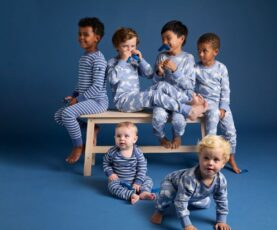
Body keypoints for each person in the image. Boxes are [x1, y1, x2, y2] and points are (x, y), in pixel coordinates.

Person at [106, 27, 207, 120]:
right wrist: (123, 60)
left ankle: (189, 101)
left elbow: (149, 73)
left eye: (132, 46)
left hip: (136, 97)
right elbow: (112, 79)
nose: (129, 50)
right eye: (125, 46)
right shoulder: (113, 62)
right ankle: (187, 110)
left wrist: (141, 60)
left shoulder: (133, 60)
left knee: (162, 85)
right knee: (154, 95)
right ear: (117, 46)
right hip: (123, 102)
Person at [54, 17, 108, 164]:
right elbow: (82, 83)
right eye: (80, 34)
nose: (81, 37)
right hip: (86, 99)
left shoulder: (98, 59)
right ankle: (93, 128)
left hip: (98, 101)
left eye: (86, 34)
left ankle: (78, 146)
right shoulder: (84, 57)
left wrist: (78, 100)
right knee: (59, 116)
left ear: (97, 38)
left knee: (67, 113)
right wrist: (73, 95)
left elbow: (97, 87)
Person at [151, 135, 231, 230]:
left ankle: (181, 198)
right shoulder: (189, 179)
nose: (210, 163)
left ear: (223, 164)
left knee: (205, 203)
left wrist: (221, 220)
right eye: (206, 158)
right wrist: (187, 225)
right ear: (199, 158)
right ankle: (159, 211)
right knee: (168, 194)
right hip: (172, 183)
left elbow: (222, 200)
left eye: (216, 160)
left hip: (193, 193)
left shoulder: (221, 180)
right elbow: (181, 202)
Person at [194, 32, 241, 173]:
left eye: (204, 51)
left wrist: (224, 108)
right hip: (205, 104)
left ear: (215, 52)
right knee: (212, 130)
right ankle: (209, 158)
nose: (201, 54)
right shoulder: (195, 69)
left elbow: (226, 91)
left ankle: (231, 158)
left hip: (220, 104)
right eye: (199, 51)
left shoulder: (221, 68)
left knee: (231, 132)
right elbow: (189, 86)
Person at [152, 20, 196, 149]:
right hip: (163, 100)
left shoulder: (188, 58)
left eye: (168, 38)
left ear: (181, 39)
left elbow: (189, 86)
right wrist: (158, 73)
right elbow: (155, 84)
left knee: (178, 121)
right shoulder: (161, 57)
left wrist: (176, 70)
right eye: (163, 39)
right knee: (158, 117)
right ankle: (160, 137)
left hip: (181, 100)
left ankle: (177, 135)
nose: (164, 42)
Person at [103, 122, 155, 204]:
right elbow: (106, 163)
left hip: (135, 179)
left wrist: (138, 181)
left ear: (134, 139)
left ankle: (144, 192)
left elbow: (142, 168)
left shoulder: (137, 153)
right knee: (112, 186)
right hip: (120, 181)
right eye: (118, 136)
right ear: (115, 138)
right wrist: (110, 173)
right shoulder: (112, 152)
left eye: (126, 136)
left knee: (148, 179)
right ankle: (131, 195)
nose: (122, 139)